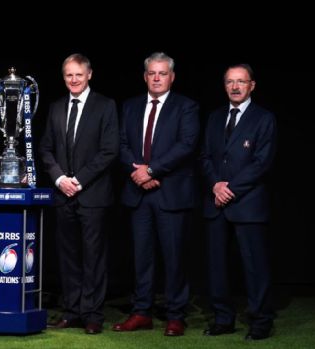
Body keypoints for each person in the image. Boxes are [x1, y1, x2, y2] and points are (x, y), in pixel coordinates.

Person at [113, 52, 199, 336]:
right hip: (138, 194)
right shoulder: (131, 106)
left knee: (174, 258)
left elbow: (186, 145)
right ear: (145, 77)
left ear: (172, 77)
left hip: (170, 194)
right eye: (152, 73)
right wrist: (137, 172)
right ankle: (142, 312)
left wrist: (151, 171)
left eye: (163, 73)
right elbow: (122, 144)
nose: (157, 78)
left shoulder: (186, 107)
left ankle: (176, 314)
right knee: (142, 257)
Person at [39, 53, 119, 335]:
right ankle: (72, 311)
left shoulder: (105, 106)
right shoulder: (56, 107)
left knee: (94, 257)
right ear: (64, 78)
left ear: (89, 75)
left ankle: (93, 314)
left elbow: (109, 150)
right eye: (69, 75)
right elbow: (46, 148)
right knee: (68, 256)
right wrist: (60, 178)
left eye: (78, 74)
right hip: (63, 196)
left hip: (93, 195)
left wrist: (79, 180)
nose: (73, 79)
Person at [201, 64, 276, 340]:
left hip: (248, 203)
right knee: (217, 266)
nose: (235, 87)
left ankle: (260, 322)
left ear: (251, 85)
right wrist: (215, 185)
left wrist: (230, 188)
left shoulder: (264, 118)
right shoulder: (214, 117)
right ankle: (223, 319)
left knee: (254, 267)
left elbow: (261, 163)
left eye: (241, 82)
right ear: (224, 85)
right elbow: (205, 157)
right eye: (230, 82)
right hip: (216, 203)